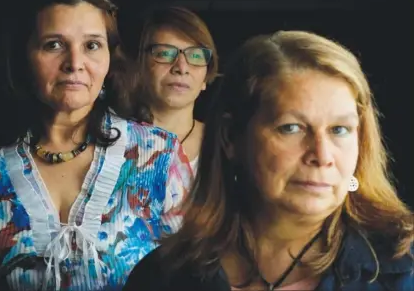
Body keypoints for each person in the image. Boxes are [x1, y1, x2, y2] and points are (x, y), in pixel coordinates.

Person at [0, 0, 192, 291]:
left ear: (109, 60)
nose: (75, 64)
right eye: (54, 45)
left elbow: (193, 274)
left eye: (92, 45)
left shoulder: (157, 154)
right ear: (24, 57)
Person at [123, 30, 413, 291]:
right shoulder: (164, 276)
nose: (322, 155)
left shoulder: (402, 271)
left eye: (339, 130)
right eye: (292, 128)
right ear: (230, 138)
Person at [136, 6, 219, 174]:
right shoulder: (114, 138)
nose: (181, 67)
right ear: (140, 66)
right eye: (165, 54)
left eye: (195, 56)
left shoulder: (220, 145)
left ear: (205, 78)